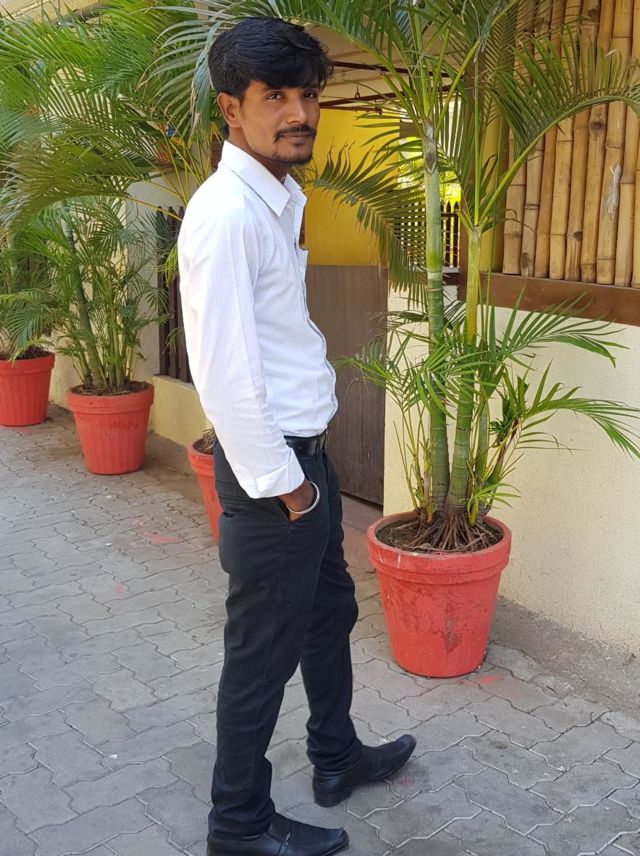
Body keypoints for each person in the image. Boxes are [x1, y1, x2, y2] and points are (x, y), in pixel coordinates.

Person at [178, 17, 416, 856]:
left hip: (300, 467)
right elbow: (224, 374)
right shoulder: (227, 216)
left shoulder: (274, 200)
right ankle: (237, 824)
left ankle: (335, 756)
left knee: (328, 615)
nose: (298, 113)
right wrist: (289, 489)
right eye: (274, 95)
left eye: (308, 94)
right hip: (275, 478)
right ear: (230, 109)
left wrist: (304, 482)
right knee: (261, 655)